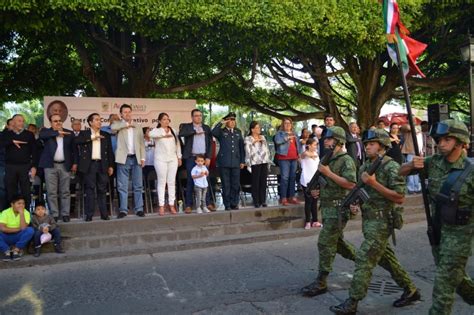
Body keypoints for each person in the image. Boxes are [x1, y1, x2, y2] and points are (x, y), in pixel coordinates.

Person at [330, 129, 420, 314]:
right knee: (386, 259)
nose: (367, 146)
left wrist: (373, 183)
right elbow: (363, 194)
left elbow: (400, 197)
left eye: (372, 143)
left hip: (382, 222)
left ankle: (352, 302)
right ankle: (410, 290)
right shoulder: (364, 167)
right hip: (369, 222)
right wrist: (356, 204)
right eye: (366, 144)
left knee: (364, 259)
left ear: (382, 145)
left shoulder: (391, 166)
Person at [399, 119, 474, 314]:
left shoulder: (470, 170)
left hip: (460, 236)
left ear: (460, 142)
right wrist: (410, 165)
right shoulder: (433, 163)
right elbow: (400, 173)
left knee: (443, 284)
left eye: (446, 139)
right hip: (438, 230)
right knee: (455, 277)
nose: (440, 143)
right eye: (439, 139)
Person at [300, 126, 357, 297]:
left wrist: (328, 173)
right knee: (337, 244)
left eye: (330, 139)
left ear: (339, 141)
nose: (325, 141)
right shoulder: (328, 158)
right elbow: (326, 182)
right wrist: (317, 191)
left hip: (339, 209)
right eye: (326, 139)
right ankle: (363, 260)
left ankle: (321, 281)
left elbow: (351, 184)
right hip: (328, 208)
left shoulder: (346, 160)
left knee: (324, 242)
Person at [75, 113, 115, 221]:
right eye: (96, 120)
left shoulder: (105, 134)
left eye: (100, 120)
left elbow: (110, 152)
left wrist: (111, 166)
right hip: (89, 165)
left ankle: (104, 214)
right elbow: (77, 141)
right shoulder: (84, 134)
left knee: (102, 189)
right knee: (90, 189)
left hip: (102, 165)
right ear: (90, 122)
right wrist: (93, 137)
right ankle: (89, 215)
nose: (99, 122)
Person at [38, 114, 77, 222]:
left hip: (65, 165)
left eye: (60, 120)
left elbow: (75, 150)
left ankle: (65, 213)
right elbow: (41, 135)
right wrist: (56, 133)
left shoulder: (69, 133)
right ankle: (54, 214)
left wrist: (75, 163)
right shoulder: (46, 132)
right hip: (50, 166)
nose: (58, 122)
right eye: (55, 121)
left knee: (65, 191)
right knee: (51, 192)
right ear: (50, 123)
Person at [112, 104, 146, 218]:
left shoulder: (137, 126)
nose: (127, 114)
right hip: (123, 158)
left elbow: (141, 143)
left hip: (136, 158)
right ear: (121, 114)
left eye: (129, 112)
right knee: (122, 186)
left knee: (138, 185)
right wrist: (126, 124)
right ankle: (123, 210)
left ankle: (139, 208)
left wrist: (142, 158)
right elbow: (112, 128)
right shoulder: (118, 125)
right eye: (125, 112)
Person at [179, 109, 215, 213]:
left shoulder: (206, 128)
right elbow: (181, 134)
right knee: (191, 180)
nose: (198, 117)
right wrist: (195, 131)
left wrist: (208, 157)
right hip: (192, 158)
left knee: (205, 181)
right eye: (196, 116)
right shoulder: (187, 127)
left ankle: (207, 204)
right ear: (192, 117)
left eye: (200, 115)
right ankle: (189, 205)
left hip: (203, 158)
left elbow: (210, 144)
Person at [0, 114, 38, 208]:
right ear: (13, 122)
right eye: (19, 121)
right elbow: (1, 143)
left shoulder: (29, 134)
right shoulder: (6, 134)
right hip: (10, 166)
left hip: (25, 166)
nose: (22, 123)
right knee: (10, 191)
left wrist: (34, 166)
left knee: (26, 191)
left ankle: (26, 215)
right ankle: (11, 215)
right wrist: (12, 142)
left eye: (23, 121)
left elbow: (35, 151)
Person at [149, 113, 182, 216]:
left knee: (171, 182)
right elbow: (150, 135)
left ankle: (172, 204)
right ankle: (161, 205)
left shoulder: (173, 130)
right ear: (159, 121)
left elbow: (177, 145)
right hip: (160, 159)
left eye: (168, 119)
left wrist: (179, 157)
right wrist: (163, 135)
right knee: (162, 182)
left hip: (172, 159)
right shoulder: (156, 131)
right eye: (164, 119)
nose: (166, 121)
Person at [212, 112, 245, 210]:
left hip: (236, 161)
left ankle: (234, 203)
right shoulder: (221, 131)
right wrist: (221, 122)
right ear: (226, 121)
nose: (232, 121)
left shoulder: (238, 132)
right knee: (226, 184)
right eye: (230, 119)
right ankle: (227, 204)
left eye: (233, 119)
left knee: (235, 184)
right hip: (224, 162)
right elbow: (213, 132)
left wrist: (242, 161)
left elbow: (241, 147)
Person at [274, 118, 301, 205]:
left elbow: (298, 145)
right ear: (283, 125)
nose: (287, 125)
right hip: (284, 158)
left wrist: (299, 154)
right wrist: (287, 138)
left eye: (289, 123)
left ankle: (292, 197)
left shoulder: (295, 133)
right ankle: (283, 198)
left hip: (294, 158)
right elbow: (277, 141)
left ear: (291, 124)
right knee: (284, 178)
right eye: (285, 123)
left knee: (292, 178)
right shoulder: (279, 133)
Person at [244, 121, 271, 208]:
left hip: (264, 161)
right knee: (256, 182)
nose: (259, 129)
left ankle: (263, 200)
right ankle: (256, 200)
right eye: (257, 128)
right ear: (252, 129)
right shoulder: (248, 138)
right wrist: (255, 141)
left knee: (263, 181)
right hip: (255, 162)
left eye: (259, 127)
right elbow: (247, 149)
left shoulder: (262, 137)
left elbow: (266, 149)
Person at [0, 195, 34, 261]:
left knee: (30, 230)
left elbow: (24, 228)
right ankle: (7, 251)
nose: (21, 205)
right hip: (5, 236)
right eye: (19, 203)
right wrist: (18, 229)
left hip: (18, 236)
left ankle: (16, 250)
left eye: (23, 203)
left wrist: (21, 213)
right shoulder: (5, 212)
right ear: (12, 204)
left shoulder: (26, 212)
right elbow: (2, 228)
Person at [299, 138, 321, 229]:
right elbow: (304, 154)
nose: (316, 147)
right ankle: (308, 221)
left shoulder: (316, 154)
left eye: (316, 145)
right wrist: (308, 151)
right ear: (309, 145)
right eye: (314, 145)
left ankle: (315, 221)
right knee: (308, 201)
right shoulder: (304, 154)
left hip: (315, 181)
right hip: (306, 181)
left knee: (315, 201)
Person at [400, 124, 422, 193]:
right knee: (410, 168)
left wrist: (421, 151)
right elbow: (404, 128)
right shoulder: (407, 128)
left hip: (418, 152)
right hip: (411, 151)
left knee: (417, 169)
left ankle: (417, 187)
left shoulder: (418, 129)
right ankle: (411, 188)